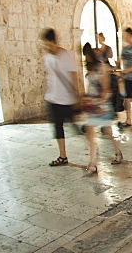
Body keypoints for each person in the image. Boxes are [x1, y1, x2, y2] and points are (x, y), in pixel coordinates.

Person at [41, 28, 83, 169]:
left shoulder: (65, 54)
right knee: (58, 127)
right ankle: (63, 156)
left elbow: (73, 75)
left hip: (67, 98)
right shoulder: (47, 57)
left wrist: (76, 96)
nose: (46, 47)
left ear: (53, 41)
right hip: (53, 98)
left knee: (76, 128)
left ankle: (93, 151)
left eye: (48, 44)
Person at [81, 43, 123, 174]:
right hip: (93, 105)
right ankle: (92, 163)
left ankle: (117, 152)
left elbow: (106, 89)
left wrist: (99, 102)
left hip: (102, 105)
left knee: (108, 132)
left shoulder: (102, 67)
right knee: (91, 133)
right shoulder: (90, 68)